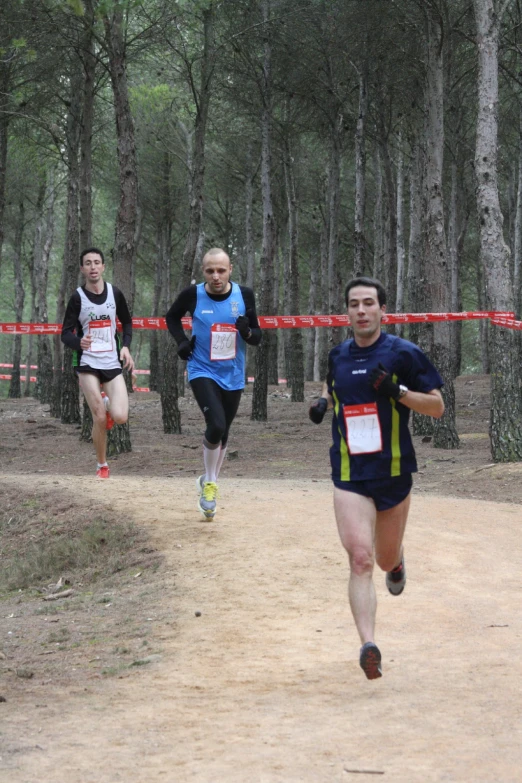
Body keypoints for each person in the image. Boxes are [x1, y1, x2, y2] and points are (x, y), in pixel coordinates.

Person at [309, 276, 444, 681]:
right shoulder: (338, 355)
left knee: (384, 558)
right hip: (349, 473)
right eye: (354, 304)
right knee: (361, 558)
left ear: (382, 310)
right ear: (347, 312)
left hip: (394, 472)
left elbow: (436, 407)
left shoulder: (404, 354)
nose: (362, 310)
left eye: (369, 303)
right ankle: (368, 644)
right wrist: (323, 401)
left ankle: (397, 561)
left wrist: (398, 391)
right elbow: (334, 386)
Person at [166, 248, 262, 520]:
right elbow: (171, 317)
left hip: (232, 372)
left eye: (221, 270)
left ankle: (209, 483)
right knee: (216, 425)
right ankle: (210, 483)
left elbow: (257, 337)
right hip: (201, 368)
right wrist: (183, 342)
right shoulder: (192, 295)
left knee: (224, 432)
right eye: (210, 271)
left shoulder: (244, 295)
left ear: (230, 269)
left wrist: (246, 331)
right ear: (203, 272)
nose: (216, 276)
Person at [61, 247, 135, 479]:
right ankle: (102, 464)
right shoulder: (77, 297)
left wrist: (125, 346)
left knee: (120, 416)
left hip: (111, 361)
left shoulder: (115, 293)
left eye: (97, 262)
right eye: (88, 263)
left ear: (103, 266)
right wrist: (78, 342)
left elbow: (128, 323)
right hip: (87, 363)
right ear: (82, 269)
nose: (93, 267)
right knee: (99, 418)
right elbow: (65, 333)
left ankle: (107, 402)